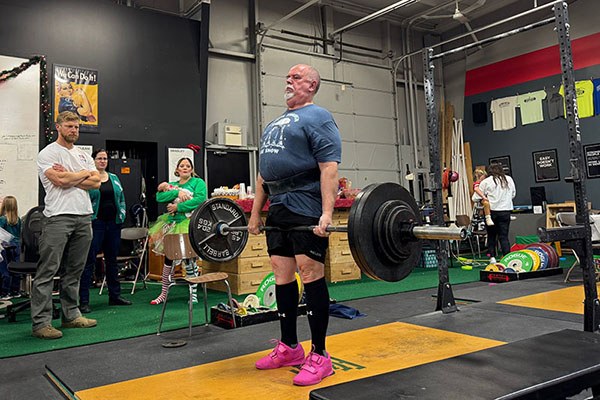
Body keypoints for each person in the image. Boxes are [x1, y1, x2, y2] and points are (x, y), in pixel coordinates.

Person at [248, 64, 342, 386]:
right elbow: (263, 173)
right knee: (280, 271)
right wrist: (255, 212)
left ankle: (320, 354)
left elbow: (328, 167)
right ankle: (289, 346)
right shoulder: (274, 122)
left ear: (312, 84)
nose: (288, 81)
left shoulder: (319, 116)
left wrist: (326, 214)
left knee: (310, 271)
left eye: (297, 77)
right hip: (278, 207)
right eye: (287, 77)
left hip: (305, 202)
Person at [32, 111, 101, 340]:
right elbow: (59, 181)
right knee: (47, 271)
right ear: (58, 127)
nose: (74, 130)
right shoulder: (48, 154)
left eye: (77, 127)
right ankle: (42, 323)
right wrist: (82, 176)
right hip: (57, 217)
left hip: (83, 217)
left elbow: (97, 182)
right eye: (70, 126)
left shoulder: (83, 155)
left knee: (75, 270)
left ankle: (71, 316)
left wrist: (73, 175)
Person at [78, 149, 132, 314]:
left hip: (113, 225)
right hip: (96, 224)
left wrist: (121, 214)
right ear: (93, 160)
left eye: (105, 159)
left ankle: (115, 296)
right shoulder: (90, 178)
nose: (102, 161)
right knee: (89, 262)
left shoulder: (114, 178)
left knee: (112, 261)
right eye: (99, 158)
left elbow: (121, 198)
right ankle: (84, 301)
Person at [148, 157, 207, 305]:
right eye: (182, 166)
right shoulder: (172, 185)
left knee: (189, 258)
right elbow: (159, 196)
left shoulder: (198, 183)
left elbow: (200, 199)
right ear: (177, 170)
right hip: (172, 224)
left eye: (188, 166)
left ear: (192, 169)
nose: (185, 168)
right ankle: (163, 293)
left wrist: (178, 207)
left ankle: (193, 294)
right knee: (169, 259)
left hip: (189, 224)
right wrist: (176, 193)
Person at [479, 163, 516, 264]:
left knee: (491, 235)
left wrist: (485, 198)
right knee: (504, 236)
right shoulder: (509, 179)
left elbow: (475, 197)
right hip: (505, 211)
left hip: (491, 212)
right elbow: (513, 194)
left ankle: (492, 258)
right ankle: (507, 258)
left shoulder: (486, 181)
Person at [0, 196, 22, 300]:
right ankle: (15, 291)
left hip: (5, 246)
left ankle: (5, 292)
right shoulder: (18, 220)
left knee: (5, 269)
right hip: (17, 246)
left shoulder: (2, 219)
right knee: (16, 269)